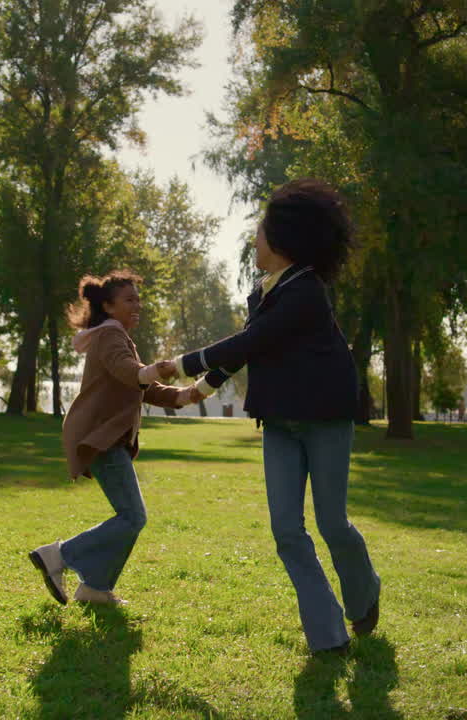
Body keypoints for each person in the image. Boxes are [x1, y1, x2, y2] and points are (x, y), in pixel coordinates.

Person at [158, 178, 380, 654]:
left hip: (324, 418)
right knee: (286, 529)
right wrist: (196, 391)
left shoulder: (306, 292)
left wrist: (179, 364)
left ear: (283, 240)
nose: (253, 239)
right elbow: (247, 351)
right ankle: (328, 635)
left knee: (333, 524)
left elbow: (249, 343)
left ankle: (364, 598)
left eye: (259, 231)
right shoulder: (265, 293)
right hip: (279, 421)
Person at [29, 271, 196, 606]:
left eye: (138, 299)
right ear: (108, 305)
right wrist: (159, 370)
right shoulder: (109, 336)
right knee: (133, 517)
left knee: (129, 517)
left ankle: (95, 587)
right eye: (129, 299)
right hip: (101, 437)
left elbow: (139, 385)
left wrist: (185, 395)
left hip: (107, 438)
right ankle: (59, 556)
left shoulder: (115, 335)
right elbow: (129, 372)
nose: (138, 305)